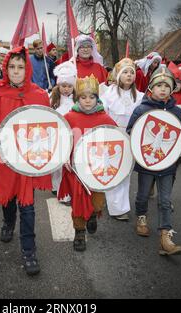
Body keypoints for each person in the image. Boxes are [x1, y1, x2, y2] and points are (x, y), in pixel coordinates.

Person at [0, 46, 52, 276]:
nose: (16, 71)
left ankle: (29, 251)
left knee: (28, 206)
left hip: (29, 158)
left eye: (21, 67)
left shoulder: (39, 95)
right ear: (5, 68)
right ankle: (8, 222)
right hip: (6, 156)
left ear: (27, 68)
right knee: (8, 199)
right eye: (12, 67)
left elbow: (49, 126)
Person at [126, 65, 181, 256]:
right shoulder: (141, 110)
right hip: (147, 161)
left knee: (165, 199)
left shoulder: (177, 112)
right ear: (151, 88)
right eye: (159, 85)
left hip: (168, 163)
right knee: (144, 193)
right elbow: (132, 131)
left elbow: (179, 135)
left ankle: (165, 236)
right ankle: (141, 217)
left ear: (172, 89)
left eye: (167, 85)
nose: (163, 89)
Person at [58, 75, 116, 251]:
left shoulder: (105, 118)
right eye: (83, 97)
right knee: (78, 202)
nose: (88, 101)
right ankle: (79, 232)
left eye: (91, 97)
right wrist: (64, 158)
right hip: (76, 169)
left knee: (97, 201)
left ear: (97, 98)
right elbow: (62, 141)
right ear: (77, 98)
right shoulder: (69, 117)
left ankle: (92, 214)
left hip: (97, 169)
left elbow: (115, 140)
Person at [100, 58, 144, 221]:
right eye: (125, 72)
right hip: (112, 135)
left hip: (130, 137)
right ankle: (114, 204)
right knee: (112, 169)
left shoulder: (140, 96)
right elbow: (102, 114)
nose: (129, 75)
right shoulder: (108, 94)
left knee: (125, 172)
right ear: (118, 75)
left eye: (132, 72)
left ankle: (119, 206)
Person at [50, 61, 77, 204]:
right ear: (58, 86)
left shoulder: (76, 101)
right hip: (57, 135)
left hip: (72, 135)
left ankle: (65, 188)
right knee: (57, 163)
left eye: (69, 86)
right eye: (63, 86)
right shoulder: (53, 100)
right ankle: (56, 185)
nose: (66, 89)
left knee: (67, 163)